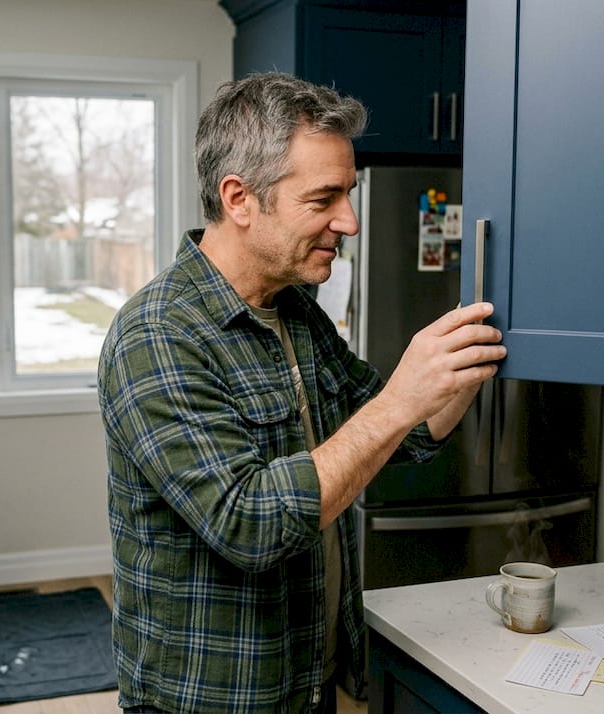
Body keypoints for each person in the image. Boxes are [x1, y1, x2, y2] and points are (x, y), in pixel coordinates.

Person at [97, 71, 506, 713]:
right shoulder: (157, 335)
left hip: (306, 680)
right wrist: (402, 397)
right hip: (209, 698)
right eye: (325, 199)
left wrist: (462, 361)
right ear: (239, 199)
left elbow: (400, 437)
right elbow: (249, 523)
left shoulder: (296, 312)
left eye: (350, 193)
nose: (350, 221)